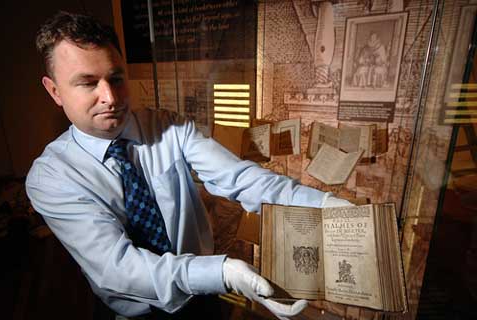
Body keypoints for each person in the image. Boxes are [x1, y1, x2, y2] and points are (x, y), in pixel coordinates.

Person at [26, 11, 352, 319]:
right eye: (88, 83)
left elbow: (241, 179)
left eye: (116, 78)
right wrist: (222, 272)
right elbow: (118, 267)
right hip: (136, 314)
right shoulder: (51, 177)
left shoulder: (169, 127)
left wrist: (324, 205)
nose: (109, 97)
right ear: (54, 91)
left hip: (204, 303)